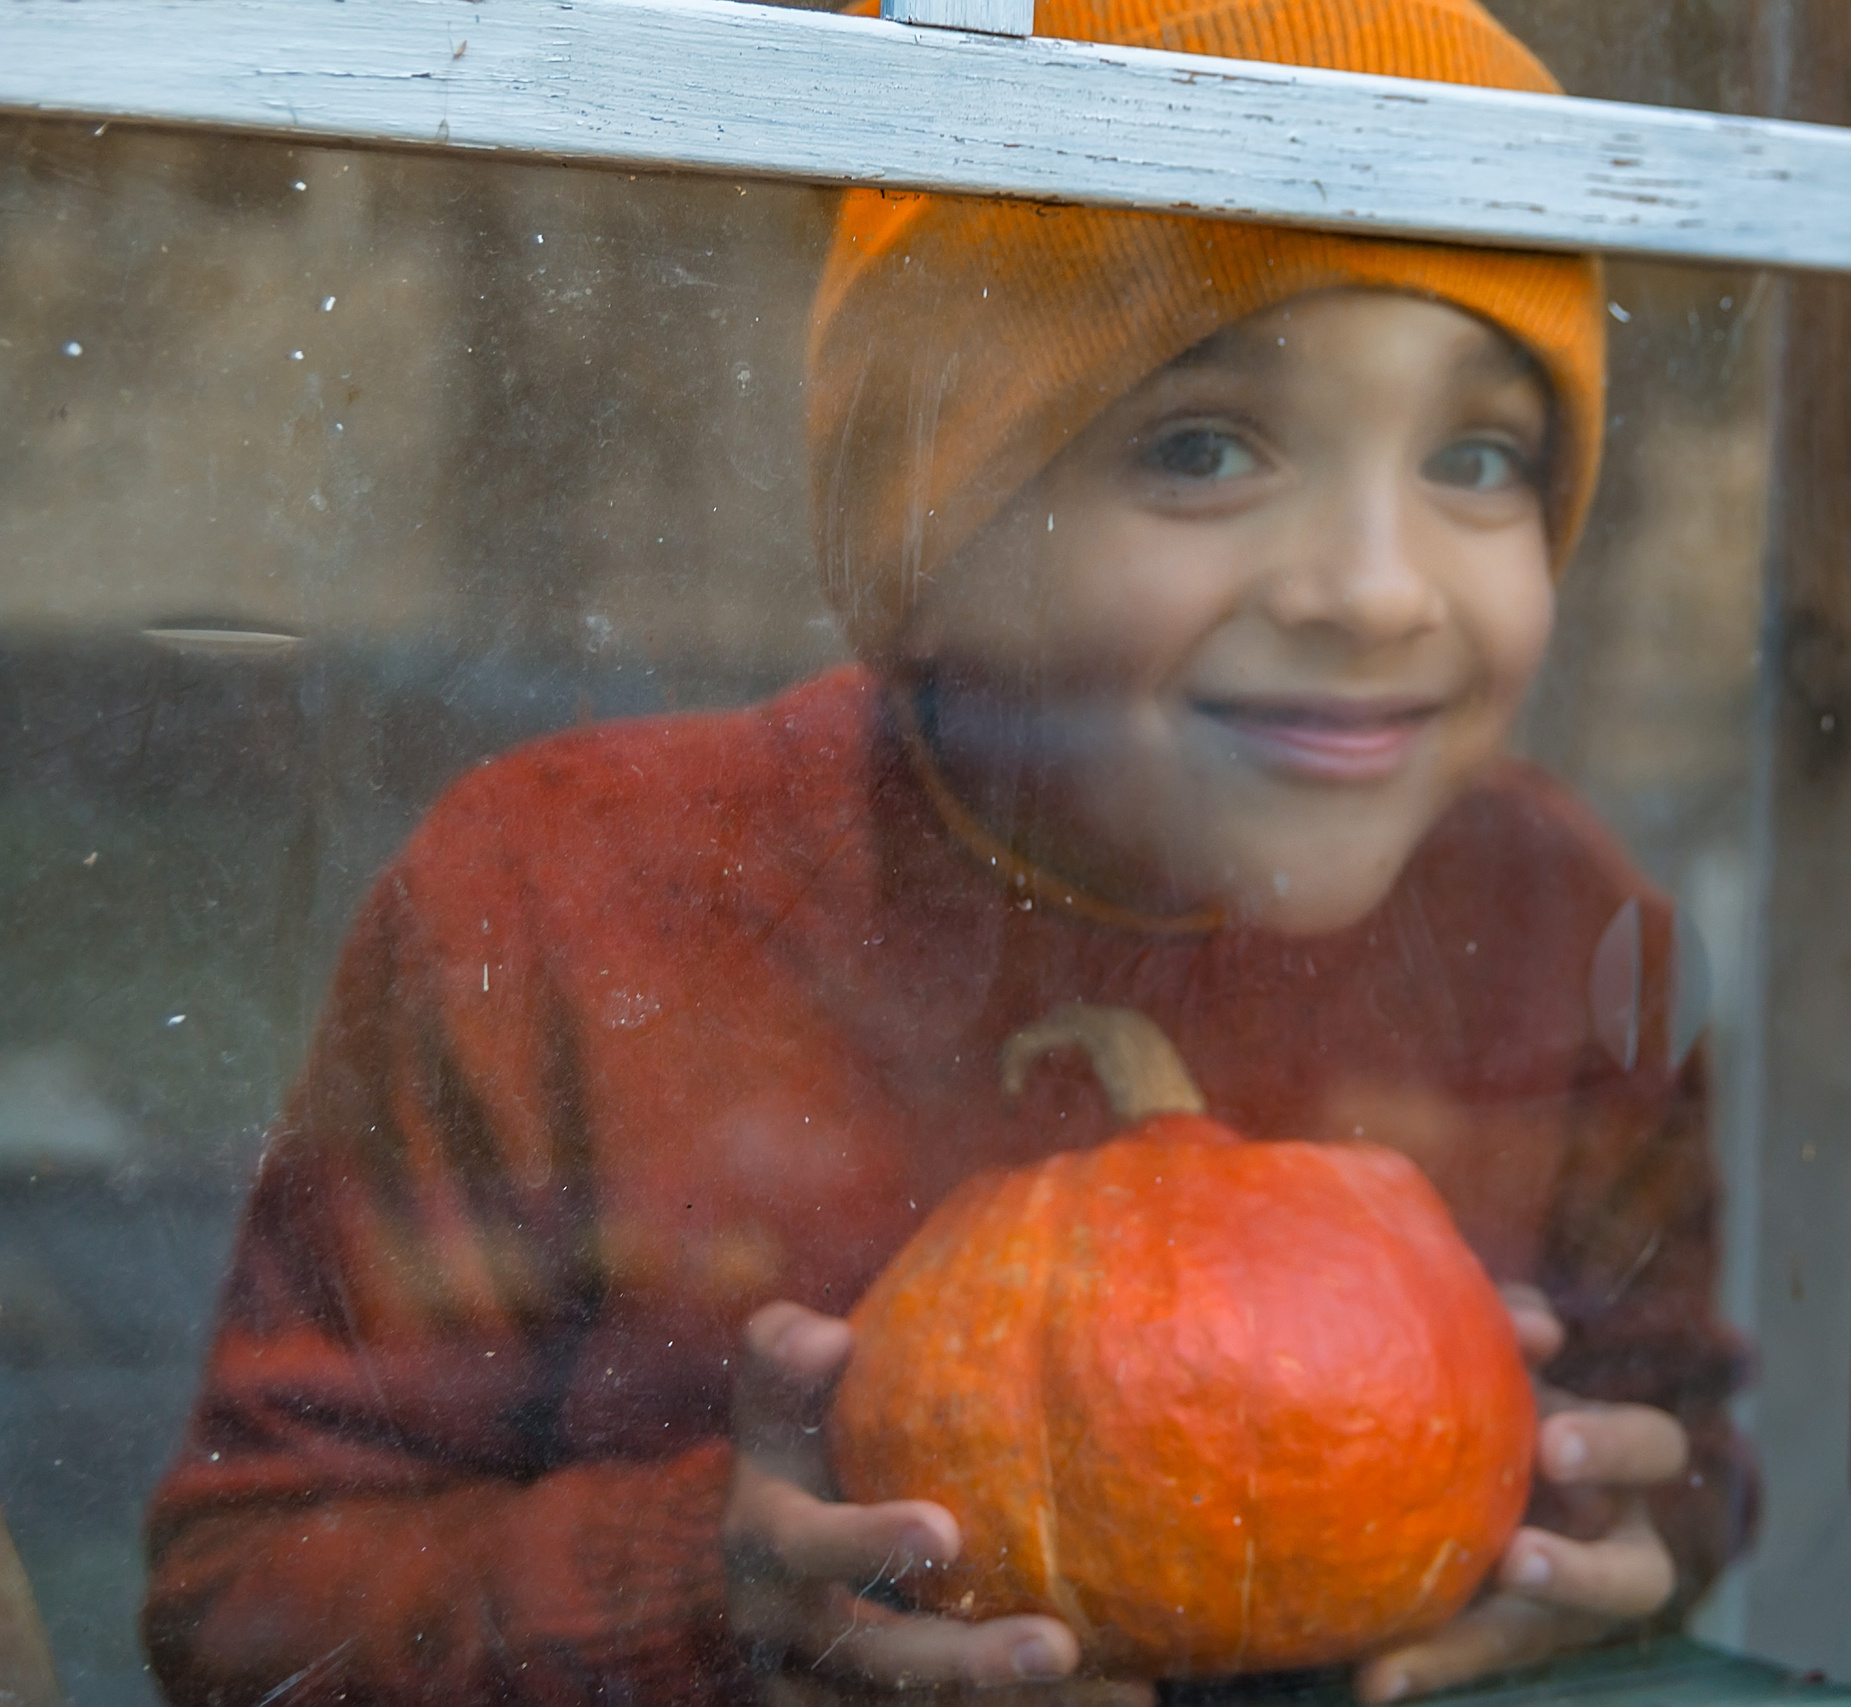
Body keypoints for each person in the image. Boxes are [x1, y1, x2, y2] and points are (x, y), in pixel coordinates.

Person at [142, 0, 1756, 1700]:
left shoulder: (1550, 919)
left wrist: (1585, 1522)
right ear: (933, 544)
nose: (1375, 589)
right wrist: (714, 1591)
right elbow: (246, 1598)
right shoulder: (562, 898)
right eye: (1202, 449)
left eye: (1478, 459)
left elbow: (1688, 1445)